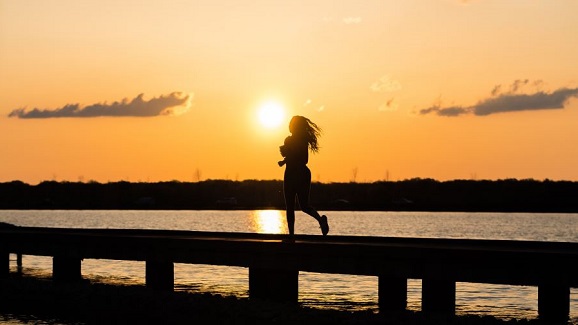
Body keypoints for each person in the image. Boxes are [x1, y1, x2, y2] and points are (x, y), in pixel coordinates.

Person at [278, 115, 329, 237]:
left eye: (291, 124)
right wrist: (284, 160)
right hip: (290, 173)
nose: (289, 126)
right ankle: (291, 235)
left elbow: (304, 159)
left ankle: (321, 220)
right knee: (289, 206)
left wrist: (287, 158)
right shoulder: (288, 140)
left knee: (304, 206)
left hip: (300, 174)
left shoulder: (302, 141)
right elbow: (290, 156)